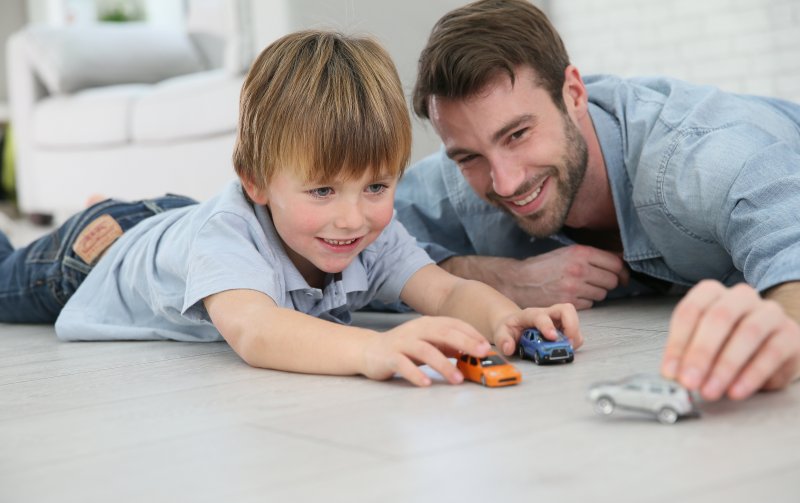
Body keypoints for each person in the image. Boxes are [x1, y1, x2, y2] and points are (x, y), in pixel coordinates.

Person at [0, 29, 581, 387]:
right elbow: (256, 330)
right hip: (96, 252)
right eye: (323, 191)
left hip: (177, 223)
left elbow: (447, 292)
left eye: (377, 187)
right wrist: (371, 348)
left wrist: (507, 320)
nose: (353, 218)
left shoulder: (367, 230)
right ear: (257, 182)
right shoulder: (231, 234)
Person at [395, 0, 800, 399]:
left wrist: (784, 332)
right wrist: (498, 278)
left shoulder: (702, 159)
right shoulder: (454, 179)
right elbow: (352, 243)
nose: (504, 182)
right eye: (470, 157)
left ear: (573, 94)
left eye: (517, 135)